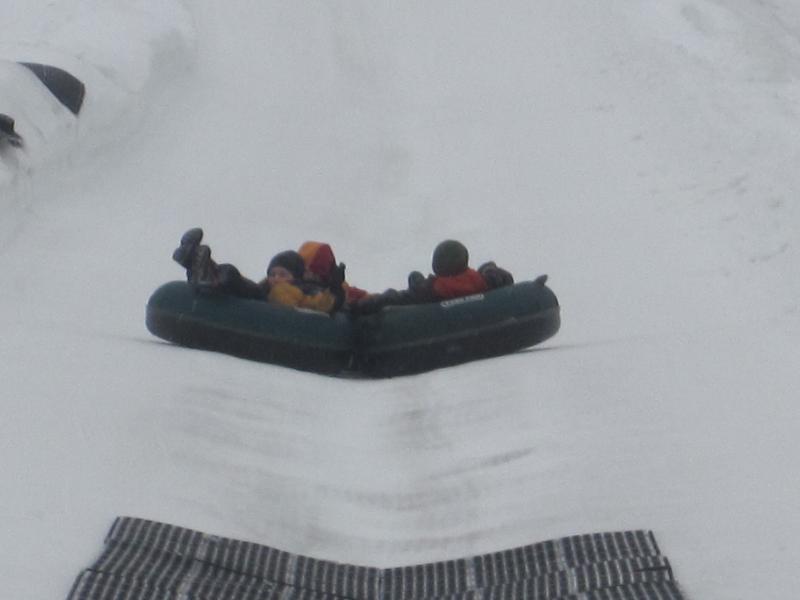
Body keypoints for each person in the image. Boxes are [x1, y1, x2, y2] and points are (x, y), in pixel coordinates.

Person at [172, 228, 345, 314]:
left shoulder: (305, 289)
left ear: (296, 277)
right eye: (272, 274)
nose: (276, 278)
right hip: (263, 303)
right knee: (232, 274)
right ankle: (196, 262)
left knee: (235, 280)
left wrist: (335, 288)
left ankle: (206, 273)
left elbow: (323, 304)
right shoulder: (266, 287)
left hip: (275, 311)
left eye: (283, 275)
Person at [353, 239, 514, 314]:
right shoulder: (484, 281)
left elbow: (395, 298)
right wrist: (489, 268)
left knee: (414, 277)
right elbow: (505, 278)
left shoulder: (430, 290)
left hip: (431, 311)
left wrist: (362, 305)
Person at [298, 241, 370, 306]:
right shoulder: (297, 289)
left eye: (316, 273)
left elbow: (352, 293)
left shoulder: (332, 283)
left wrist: (370, 299)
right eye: (307, 271)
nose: (310, 275)